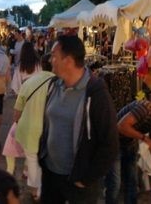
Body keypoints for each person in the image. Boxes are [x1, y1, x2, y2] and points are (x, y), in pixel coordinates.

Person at [38, 35, 119, 204]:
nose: (50, 59)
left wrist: (87, 179)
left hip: (78, 181)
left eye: (54, 55)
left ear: (68, 60)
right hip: (51, 175)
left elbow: (110, 143)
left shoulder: (96, 93)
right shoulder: (54, 85)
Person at [14, 53, 54, 201]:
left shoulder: (29, 82)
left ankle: (35, 191)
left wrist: (17, 123)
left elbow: (17, 111)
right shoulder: (59, 83)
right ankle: (43, 189)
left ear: (41, 65)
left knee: (32, 159)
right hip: (50, 131)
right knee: (47, 161)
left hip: (29, 128)